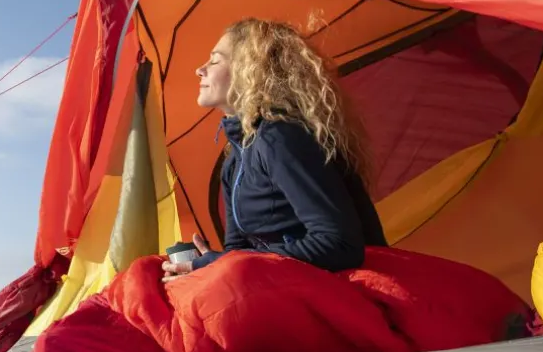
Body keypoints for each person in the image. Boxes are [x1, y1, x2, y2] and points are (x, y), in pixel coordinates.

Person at [163, 18, 386, 282]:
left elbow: (340, 244)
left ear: (250, 71)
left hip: (339, 288)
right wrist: (205, 268)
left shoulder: (280, 138)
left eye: (215, 61)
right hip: (284, 287)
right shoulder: (234, 160)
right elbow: (240, 251)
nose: (200, 70)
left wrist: (226, 263)